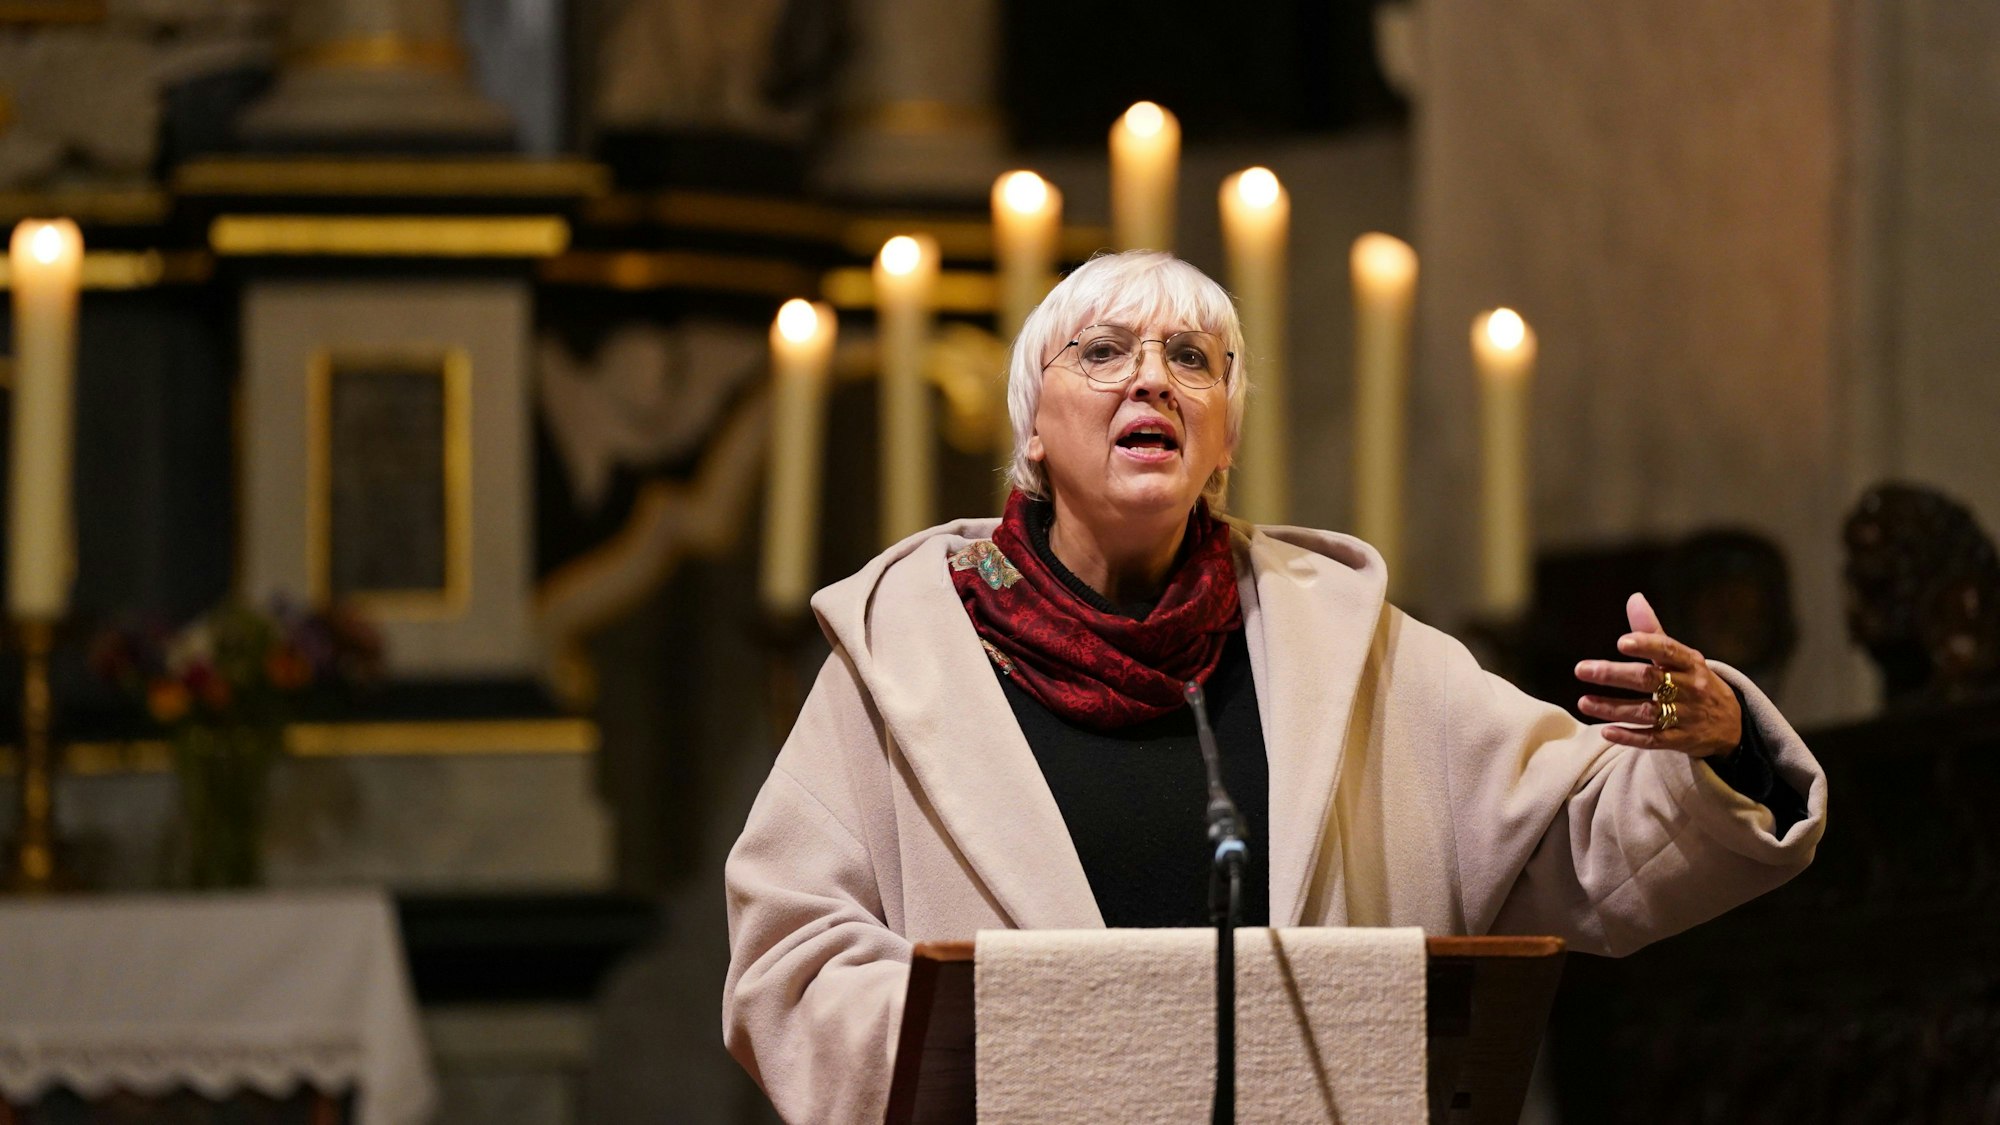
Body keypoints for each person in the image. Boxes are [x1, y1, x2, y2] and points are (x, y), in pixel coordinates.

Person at [722, 251, 1825, 1123]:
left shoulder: (1340, 644)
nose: (1152, 376)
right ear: (1031, 433)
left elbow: (1574, 836)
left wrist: (1712, 749)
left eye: (1191, 359)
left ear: (1223, 437)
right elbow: (789, 952)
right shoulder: (905, 651)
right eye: (1102, 352)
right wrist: (997, 1050)